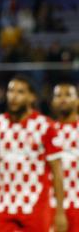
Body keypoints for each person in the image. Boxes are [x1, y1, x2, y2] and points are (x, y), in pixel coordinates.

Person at [0, 76, 67, 232]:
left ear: (31, 97)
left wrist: (60, 211)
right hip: (3, 205)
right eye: (10, 91)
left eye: (20, 92)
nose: (13, 96)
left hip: (35, 205)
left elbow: (57, 171)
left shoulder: (45, 126)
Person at [50, 82, 79, 231]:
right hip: (52, 205)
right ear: (52, 101)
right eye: (58, 95)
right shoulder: (47, 131)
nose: (62, 99)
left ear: (77, 100)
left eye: (68, 95)